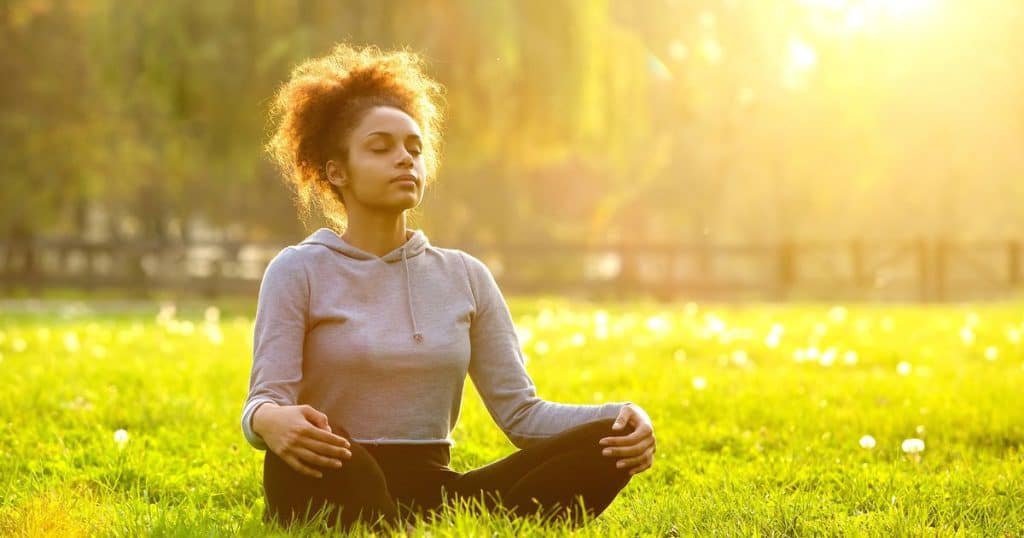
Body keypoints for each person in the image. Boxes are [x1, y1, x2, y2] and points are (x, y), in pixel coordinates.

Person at [241, 43, 656, 532]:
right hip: (331, 470)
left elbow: (522, 414)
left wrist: (624, 416)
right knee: (334, 463)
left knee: (609, 441)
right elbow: (264, 400)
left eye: (414, 149)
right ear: (337, 171)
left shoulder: (465, 276)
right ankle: (380, 520)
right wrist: (270, 421)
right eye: (381, 148)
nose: (405, 159)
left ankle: (398, 525)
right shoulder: (298, 270)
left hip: (435, 491)